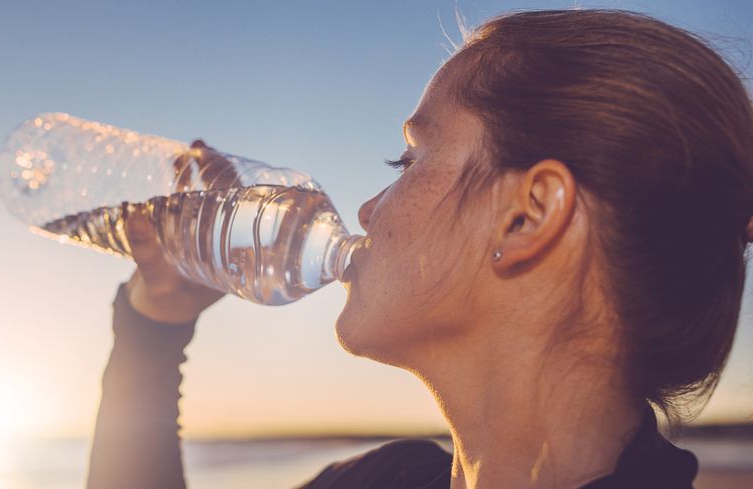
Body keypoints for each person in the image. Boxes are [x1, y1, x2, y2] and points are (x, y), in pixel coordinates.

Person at [84, 9, 753, 489]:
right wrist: (155, 326)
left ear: (528, 217)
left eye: (409, 158)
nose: (369, 209)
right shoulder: (381, 479)